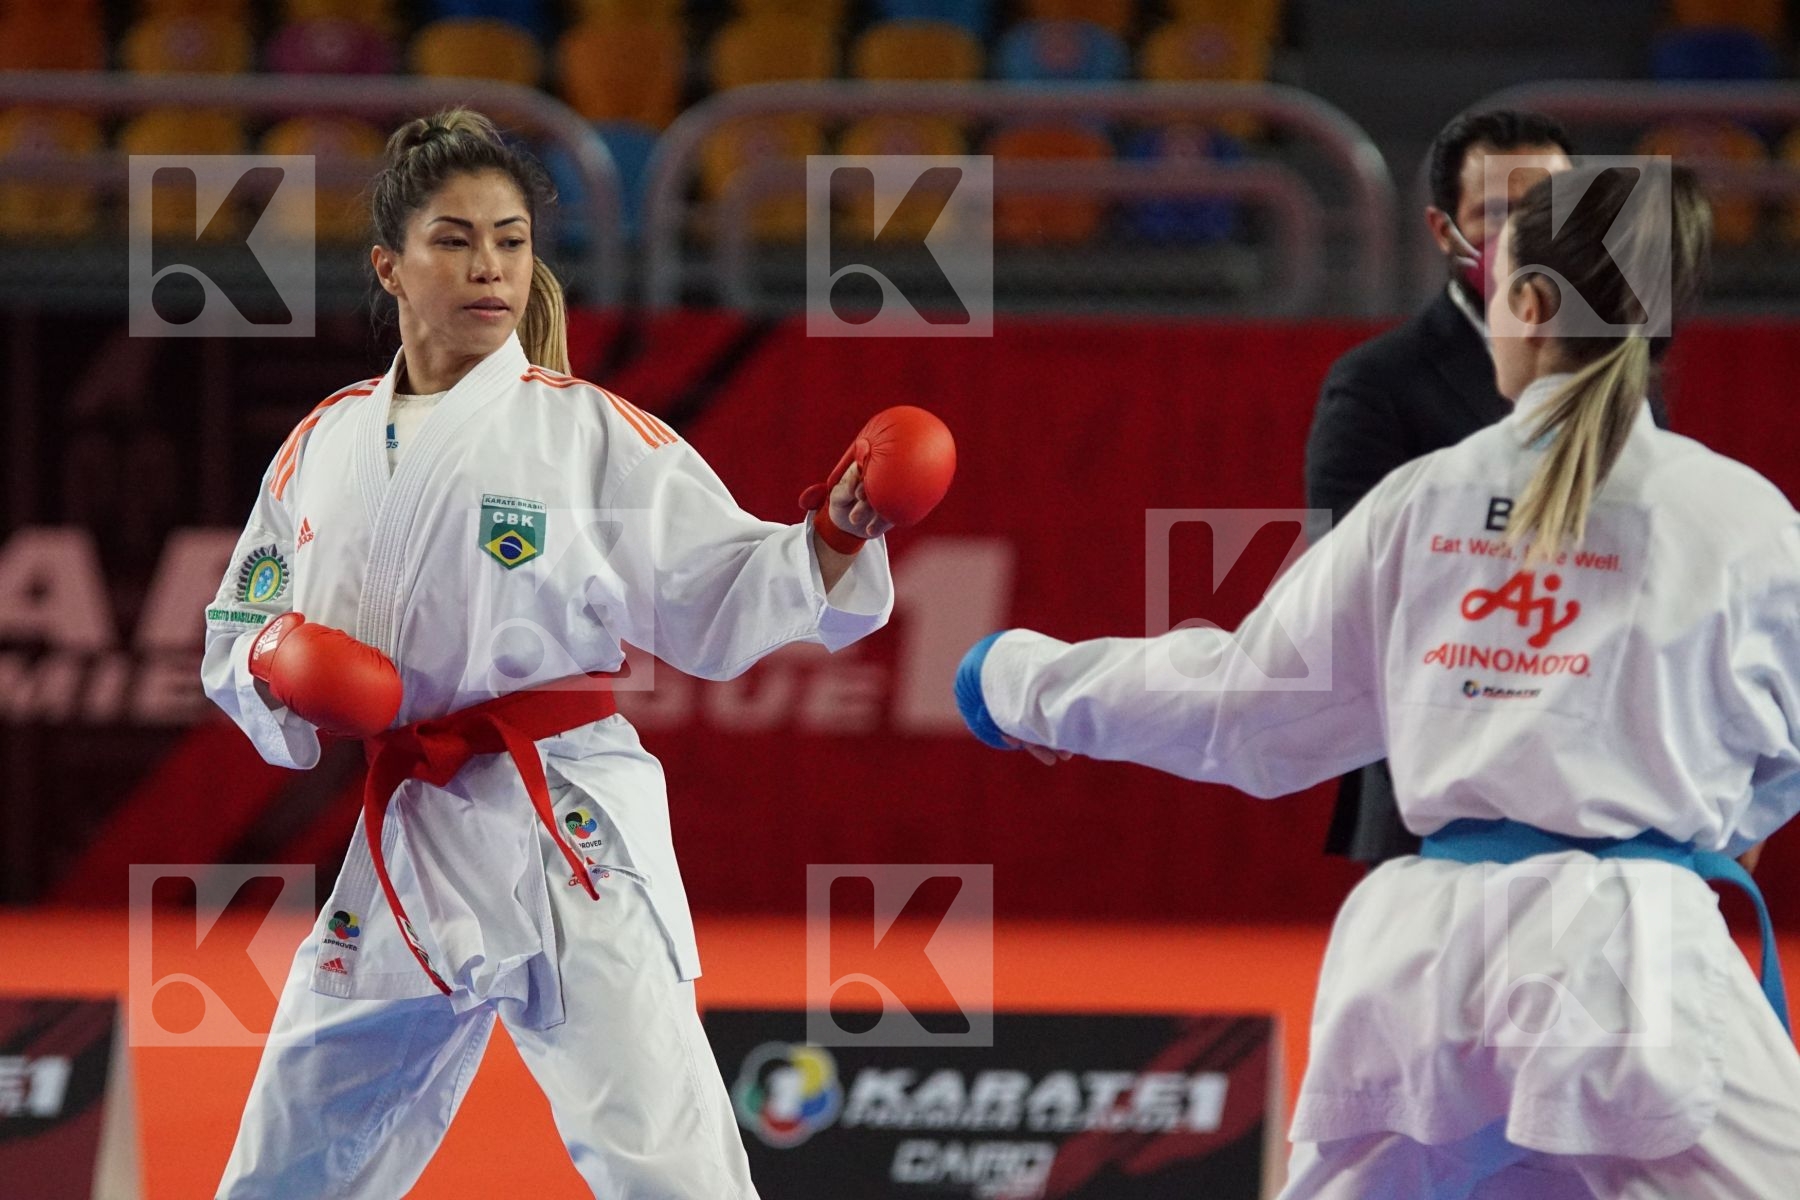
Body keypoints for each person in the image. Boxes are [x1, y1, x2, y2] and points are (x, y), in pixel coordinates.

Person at [956, 162, 1800, 1196]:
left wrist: (1016, 681)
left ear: (1529, 304)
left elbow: (1245, 711)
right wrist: (1701, 822)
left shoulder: (1426, 498)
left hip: (1420, 970)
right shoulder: (1743, 520)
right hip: (1634, 975)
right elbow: (1780, 759)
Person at [201, 109, 952, 1199]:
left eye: (510, 239)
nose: (489, 266)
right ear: (390, 267)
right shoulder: (321, 441)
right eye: (454, 240)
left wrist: (832, 536)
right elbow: (235, 627)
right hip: (408, 825)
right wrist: (276, 655)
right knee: (289, 1161)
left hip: (565, 824)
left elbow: (725, 590)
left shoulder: (588, 431)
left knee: (665, 1163)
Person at [1307, 109, 1579, 868]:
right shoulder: (1376, 382)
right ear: (1441, 230)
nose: (1527, 236)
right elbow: (1341, 576)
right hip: (1433, 788)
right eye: (1497, 214)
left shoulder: (1621, 381)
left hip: (1589, 778)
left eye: (1547, 211)